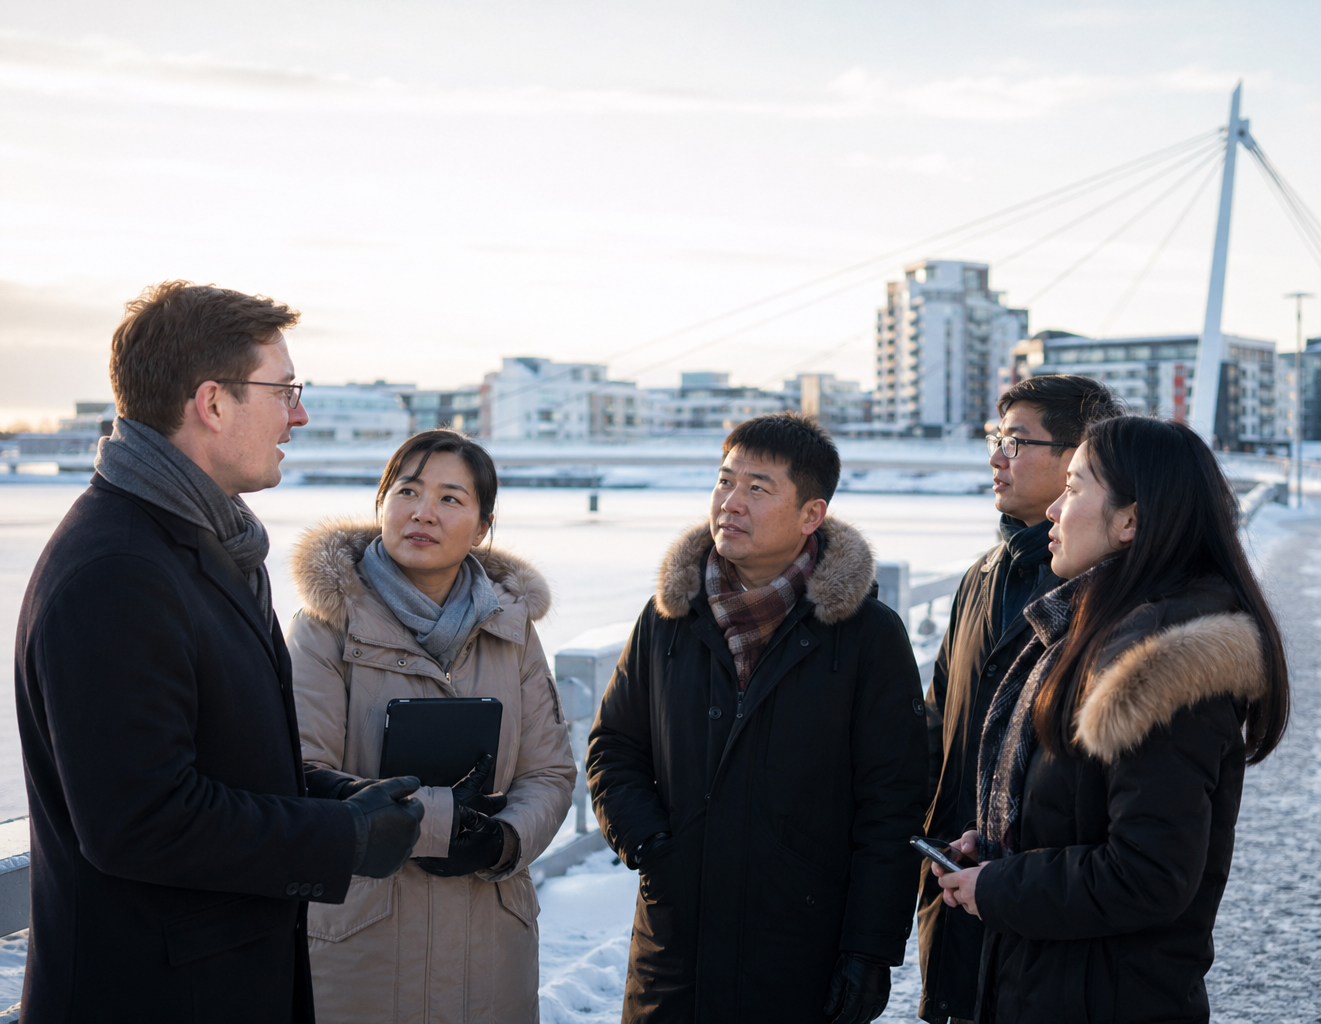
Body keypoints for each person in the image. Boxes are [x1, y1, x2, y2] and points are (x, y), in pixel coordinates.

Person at [14, 281, 425, 1023]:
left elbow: (213, 755)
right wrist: (341, 837)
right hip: (151, 997)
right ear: (212, 403)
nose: (299, 414)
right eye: (285, 390)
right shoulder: (119, 571)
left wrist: (329, 795)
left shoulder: (207, 543)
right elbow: (139, 820)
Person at [934, 416, 1290, 1024]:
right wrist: (999, 851)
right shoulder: (1090, 632)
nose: (1052, 510)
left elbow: (1148, 873)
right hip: (1049, 985)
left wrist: (1002, 887)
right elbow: (1077, 812)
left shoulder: (1160, 665)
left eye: (1073, 488)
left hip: (1104, 997)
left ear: (1130, 521)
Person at [587, 412, 928, 1024]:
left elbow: (894, 802)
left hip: (802, 945)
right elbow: (614, 745)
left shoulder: (866, 636)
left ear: (811, 516)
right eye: (724, 481)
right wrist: (648, 843)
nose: (730, 503)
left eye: (758, 488)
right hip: (676, 944)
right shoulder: (669, 618)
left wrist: (870, 950)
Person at [287, 430, 576, 1022]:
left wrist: (504, 840)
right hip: (362, 941)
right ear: (381, 504)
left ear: (482, 525)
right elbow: (299, 773)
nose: (423, 512)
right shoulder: (325, 628)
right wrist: (443, 824)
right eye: (407, 491)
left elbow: (548, 772)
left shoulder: (512, 632)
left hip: (490, 942)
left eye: (450, 498)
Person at [917, 375, 1123, 1024]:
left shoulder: (1112, 598)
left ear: (1078, 458)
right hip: (960, 883)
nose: (995, 457)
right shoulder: (981, 576)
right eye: (993, 438)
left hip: (1053, 918)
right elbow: (939, 721)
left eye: (1015, 440)